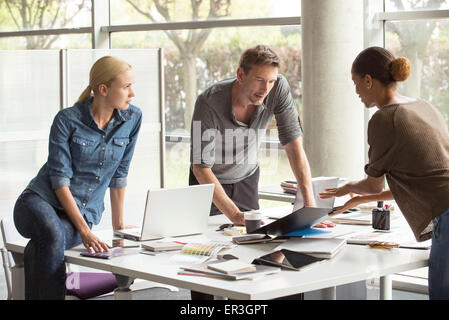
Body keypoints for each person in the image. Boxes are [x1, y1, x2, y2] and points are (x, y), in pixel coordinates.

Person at [189, 45, 333, 300]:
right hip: (209, 182)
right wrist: (232, 213)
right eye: (259, 80)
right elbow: (201, 167)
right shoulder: (209, 101)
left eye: (271, 81)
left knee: (250, 253)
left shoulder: (278, 89)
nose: (265, 89)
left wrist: (309, 207)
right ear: (240, 75)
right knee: (207, 260)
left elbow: (294, 147)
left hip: (245, 178)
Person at [320, 46, 449, 300]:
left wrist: (348, 188)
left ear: (368, 80)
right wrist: (359, 200)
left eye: (356, 83)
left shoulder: (385, 118)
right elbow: (423, 181)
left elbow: (373, 186)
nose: (356, 91)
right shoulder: (422, 106)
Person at [13, 56, 142, 299]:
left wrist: (119, 226)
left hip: (80, 215)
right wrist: (84, 231)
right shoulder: (67, 119)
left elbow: (120, 173)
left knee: (42, 246)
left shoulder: (133, 118)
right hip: (38, 203)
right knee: (52, 235)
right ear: (103, 89)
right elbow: (59, 180)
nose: (132, 93)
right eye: (126, 86)